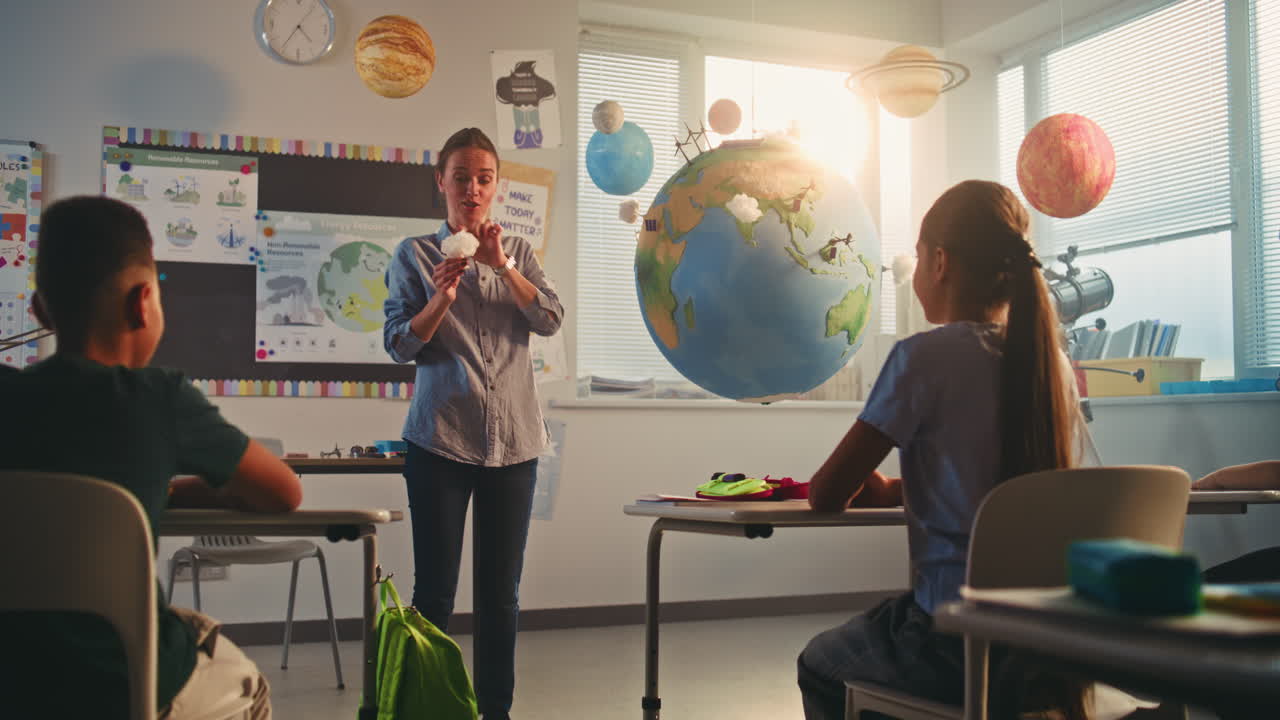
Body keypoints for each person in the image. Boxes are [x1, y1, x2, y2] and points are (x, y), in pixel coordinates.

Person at [0, 195, 302, 720]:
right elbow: (283, 492)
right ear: (144, 303)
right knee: (248, 685)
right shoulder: (159, 398)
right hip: (125, 682)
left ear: (41, 312)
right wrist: (170, 490)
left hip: (14, 681)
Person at [796, 180, 1089, 719]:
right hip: (1052, 650)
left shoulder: (921, 359)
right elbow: (999, 489)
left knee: (820, 663)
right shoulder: (1053, 370)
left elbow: (827, 494)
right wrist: (902, 490)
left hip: (954, 643)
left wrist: (861, 482)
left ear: (939, 262)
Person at [383, 127, 563, 720]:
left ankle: (495, 712)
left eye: (484, 178)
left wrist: (502, 266)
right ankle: (426, 709)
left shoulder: (520, 253)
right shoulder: (414, 254)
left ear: (496, 186)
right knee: (434, 592)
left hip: (515, 447)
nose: (473, 189)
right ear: (441, 181)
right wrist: (440, 297)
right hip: (440, 442)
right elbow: (398, 344)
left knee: (500, 596)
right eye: (461, 177)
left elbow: (549, 319)